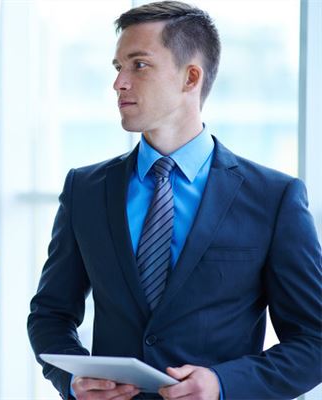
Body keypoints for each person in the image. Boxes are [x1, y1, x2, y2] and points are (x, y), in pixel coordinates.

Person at [27, 1, 322, 399]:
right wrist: (73, 381)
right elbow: (50, 314)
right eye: (118, 67)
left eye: (139, 65)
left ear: (190, 77)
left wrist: (222, 384)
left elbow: (314, 341)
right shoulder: (86, 189)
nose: (119, 83)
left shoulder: (273, 198)